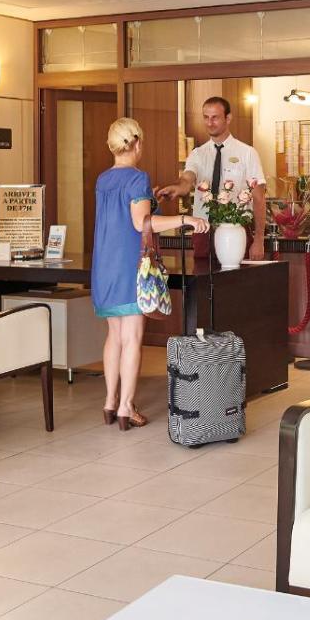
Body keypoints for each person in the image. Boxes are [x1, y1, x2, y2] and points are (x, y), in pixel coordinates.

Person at [92, 117, 207, 431]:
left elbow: (123, 214)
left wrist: (150, 199)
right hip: (129, 266)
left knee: (115, 336)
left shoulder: (103, 179)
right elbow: (141, 223)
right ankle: (127, 407)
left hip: (104, 265)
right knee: (132, 338)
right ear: (138, 143)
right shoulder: (137, 177)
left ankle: (110, 402)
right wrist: (185, 219)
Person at [157, 96, 268, 260]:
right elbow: (187, 180)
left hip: (236, 229)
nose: (209, 123)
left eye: (215, 117)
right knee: (201, 275)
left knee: (235, 276)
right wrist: (178, 188)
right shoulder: (197, 154)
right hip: (203, 230)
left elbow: (259, 198)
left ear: (228, 118)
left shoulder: (247, 153)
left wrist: (259, 239)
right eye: (206, 117)